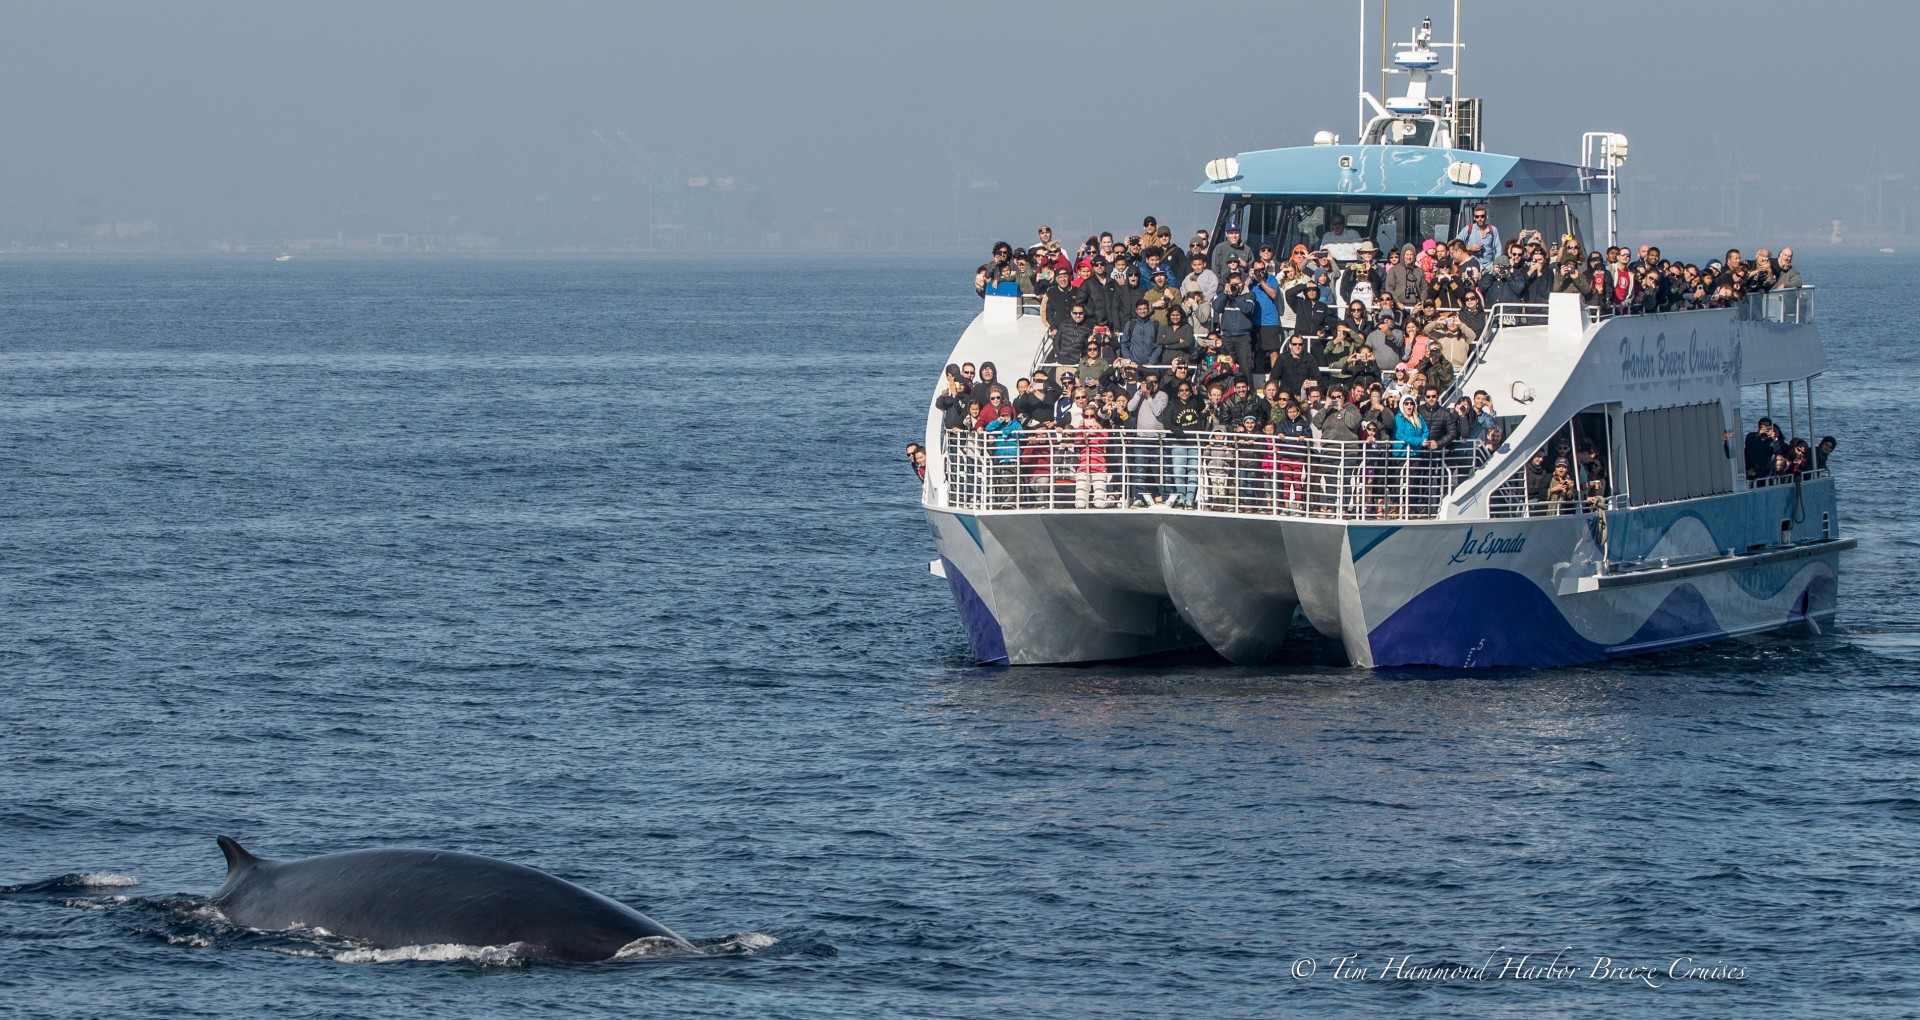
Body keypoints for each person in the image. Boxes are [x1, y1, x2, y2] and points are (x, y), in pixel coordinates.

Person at [1211, 272, 1260, 378]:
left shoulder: (1249, 294)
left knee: (1245, 367)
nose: (1235, 286)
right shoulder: (1224, 296)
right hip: (1227, 337)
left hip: (1243, 338)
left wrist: (1236, 295)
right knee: (1226, 367)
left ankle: (1249, 392)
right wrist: (1225, 293)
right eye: (1233, 284)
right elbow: (1216, 307)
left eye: (1237, 283)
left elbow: (1247, 309)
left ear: (1242, 284)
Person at [1066, 418, 1113, 509]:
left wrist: (1098, 428)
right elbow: (1078, 443)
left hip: (1099, 468)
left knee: (1099, 504)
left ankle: (1113, 499)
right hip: (1083, 468)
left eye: (1091, 416)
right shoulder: (1080, 430)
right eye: (1086, 416)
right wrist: (1081, 428)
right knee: (1080, 504)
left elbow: (1105, 441)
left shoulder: (1101, 430)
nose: (1089, 419)